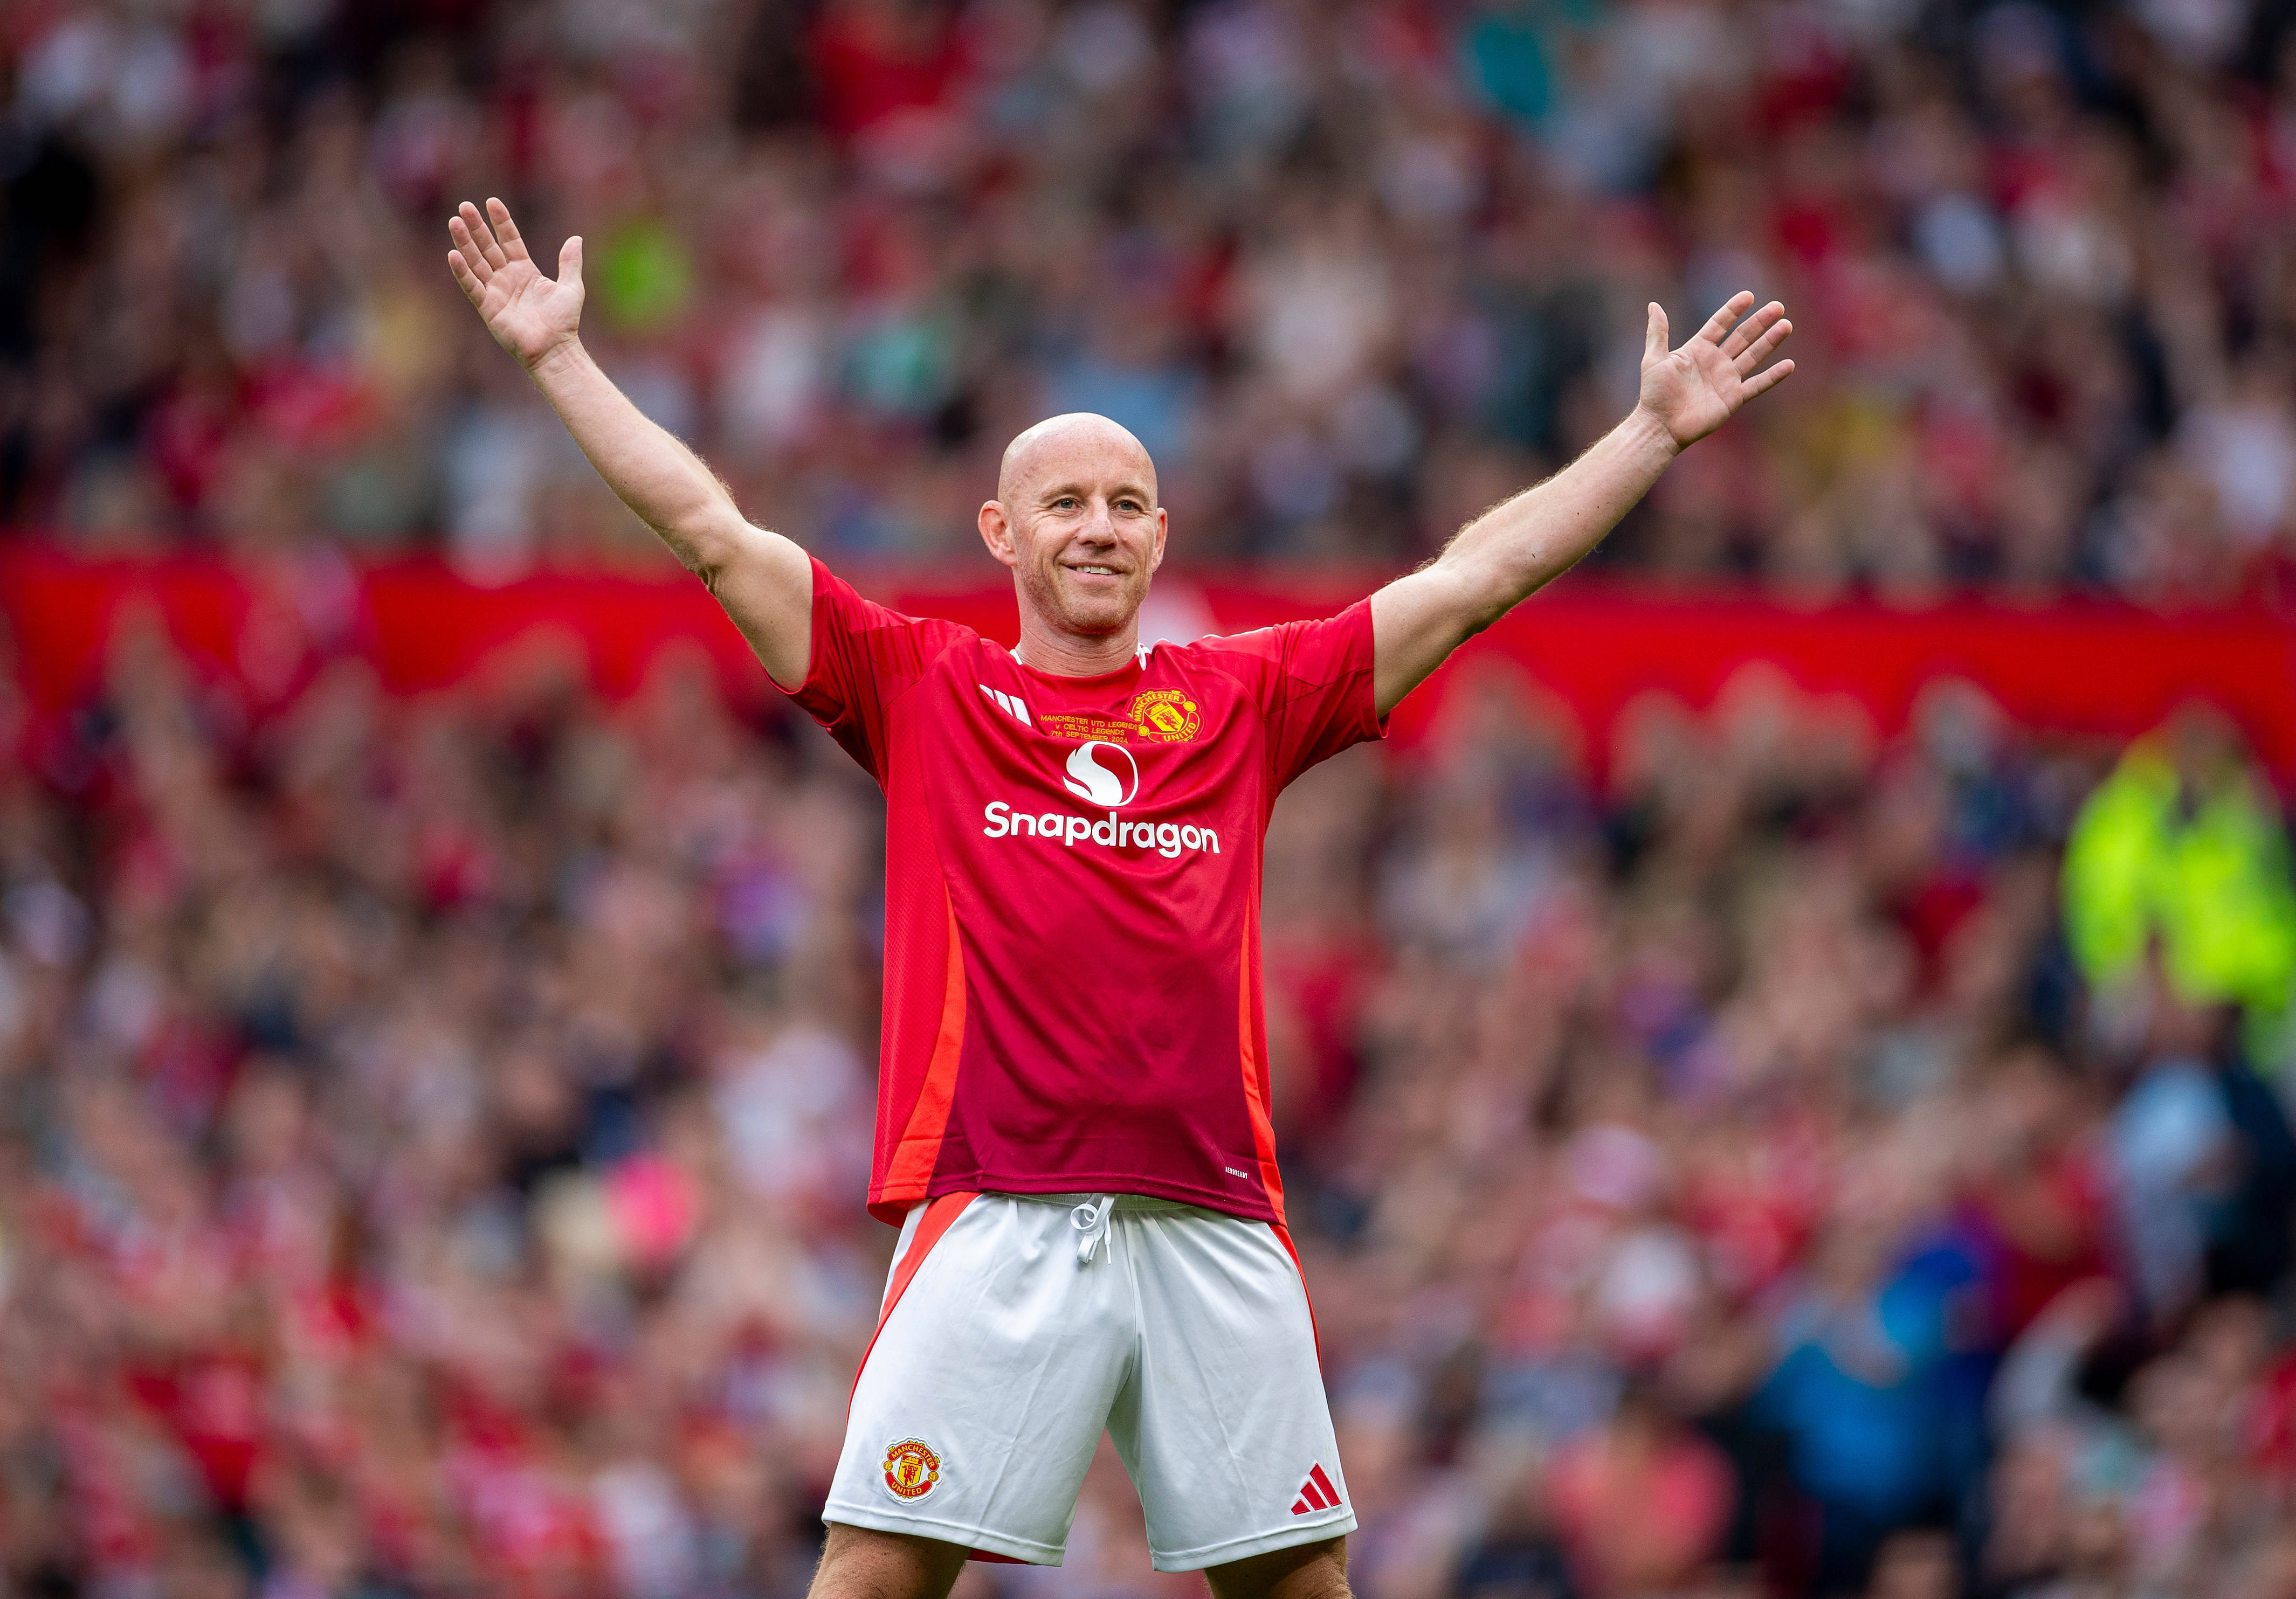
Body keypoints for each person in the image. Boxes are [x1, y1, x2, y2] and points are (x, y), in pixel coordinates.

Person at [445, 196, 1793, 1599]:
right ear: (1001, 532)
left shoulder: (1242, 697)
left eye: (1125, 504)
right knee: (874, 1576)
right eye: (1065, 503)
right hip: (998, 1204)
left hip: (1212, 1212)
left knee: (1297, 1585)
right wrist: (558, 361)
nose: (1098, 528)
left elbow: (1474, 580)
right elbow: (713, 532)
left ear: (1161, 537)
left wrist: (1647, 434)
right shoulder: (926, 688)